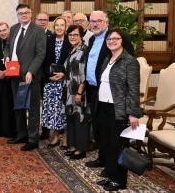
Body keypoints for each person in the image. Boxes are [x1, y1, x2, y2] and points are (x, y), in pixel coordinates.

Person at [84, 11, 134, 174]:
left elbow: (128, 65)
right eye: (92, 21)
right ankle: (103, 159)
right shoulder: (92, 39)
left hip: (114, 94)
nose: (95, 24)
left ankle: (118, 166)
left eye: (99, 21)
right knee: (101, 128)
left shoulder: (118, 37)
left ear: (107, 21)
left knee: (115, 134)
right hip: (95, 90)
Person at [95, 28, 140, 191]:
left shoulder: (130, 61)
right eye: (109, 38)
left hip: (119, 109)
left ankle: (119, 180)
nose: (111, 41)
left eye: (116, 38)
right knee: (106, 143)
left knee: (118, 145)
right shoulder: (108, 58)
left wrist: (133, 113)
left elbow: (134, 89)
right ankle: (109, 174)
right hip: (103, 106)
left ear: (123, 41)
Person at [4, 4, 46, 151]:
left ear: (30, 13)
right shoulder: (14, 28)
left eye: (26, 13)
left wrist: (31, 71)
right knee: (18, 106)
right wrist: (7, 57)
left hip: (30, 76)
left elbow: (41, 54)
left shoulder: (38, 31)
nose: (23, 15)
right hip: (14, 74)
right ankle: (21, 134)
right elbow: (7, 46)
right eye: (20, 13)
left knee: (33, 109)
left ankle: (33, 139)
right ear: (17, 15)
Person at [42, 17, 71, 149]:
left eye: (62, 25)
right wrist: (49, 76)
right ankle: (55, 136)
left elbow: (74, 62)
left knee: (63, 110)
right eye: (57, 25)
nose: (59, 28)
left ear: (66, 27)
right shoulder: (48, 41)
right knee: (52, 110)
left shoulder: (70, 42)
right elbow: (43, 61)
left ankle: (65, 137)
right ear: (54, 27)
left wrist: (64, 74)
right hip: (50, 82)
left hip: (64, 82)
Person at [62, 25, 89, 160]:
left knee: (79, 119)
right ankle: (73, 146)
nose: (72, 37)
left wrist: (79, 93)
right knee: (71, 118)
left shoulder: (84, 51)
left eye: (75, 35)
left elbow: (84, 74)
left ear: (81, 36)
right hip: (69, 91)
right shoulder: (72, 50)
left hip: (78, 91)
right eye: (70, 35)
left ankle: (81, 149)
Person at [0, 21, 16, 137]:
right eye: (0, 31)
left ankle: (9, 130)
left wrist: (6, 72)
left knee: (9, 102)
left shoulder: (14, 40)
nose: (2, 33)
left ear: (8, 29)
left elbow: (16, 59)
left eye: (4, 30)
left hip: (11, 76)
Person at [35, 11, 54, 140]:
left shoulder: (52, 36)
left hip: (47, 76)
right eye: (40, 20)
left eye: (45, 20)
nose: (42, 22)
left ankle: (46, 131)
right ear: (35, 20)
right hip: (35, 74)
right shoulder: (32, 34)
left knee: (47, 104)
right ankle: (34, 129)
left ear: (48, 21)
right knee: (34, 104)